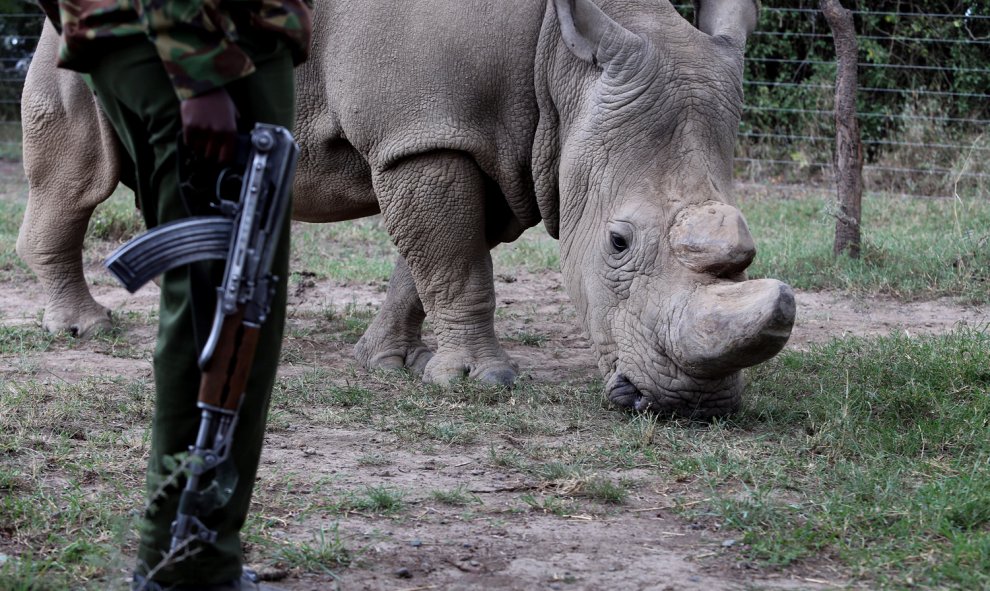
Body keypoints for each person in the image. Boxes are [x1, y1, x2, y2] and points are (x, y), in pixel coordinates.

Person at [36, 1, 313, 589]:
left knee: (226, 299)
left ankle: (194, 556)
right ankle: (186, 564)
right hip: (209, 40)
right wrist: (198, 65)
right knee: (229, 305)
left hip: (180, 37)